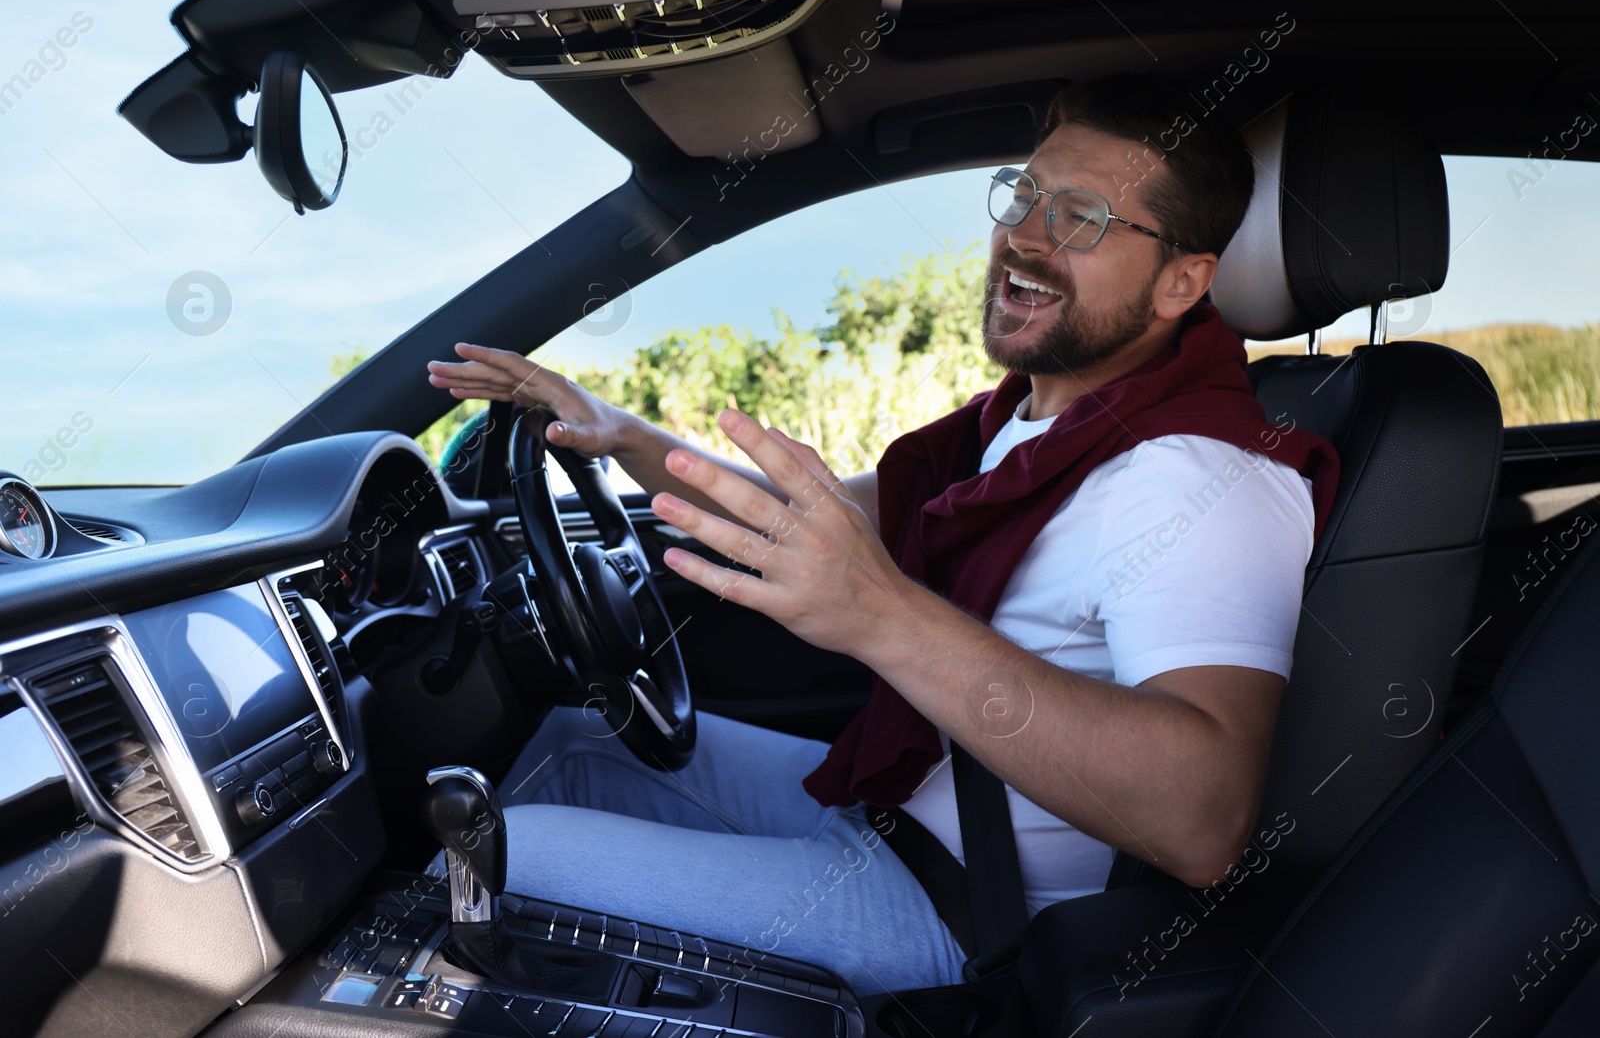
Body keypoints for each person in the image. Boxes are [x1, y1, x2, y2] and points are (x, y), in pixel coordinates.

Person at [423, 73, 1339, 995]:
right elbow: (803, 521)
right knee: (575, 746)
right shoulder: (1028, 424)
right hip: (891, 807)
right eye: (1024, 195)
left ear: (1184, 280)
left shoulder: (1201, 473)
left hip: (957, 902)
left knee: (490, 862)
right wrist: (618, 429)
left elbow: (1202, 820)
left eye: (1082, 218)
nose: (1024, 234)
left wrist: (882, 615)